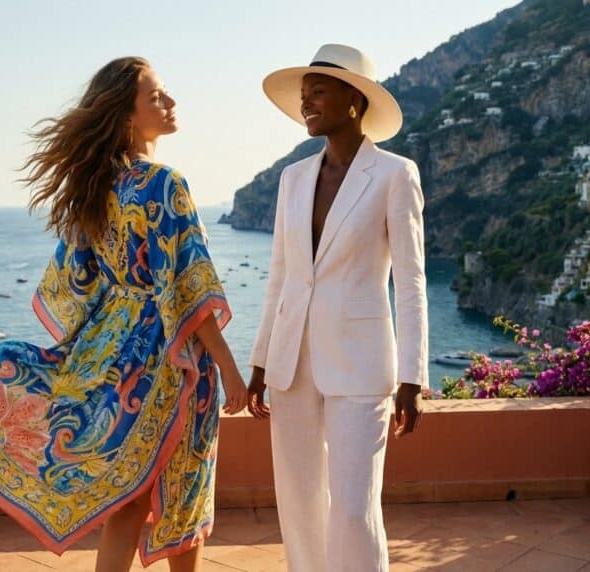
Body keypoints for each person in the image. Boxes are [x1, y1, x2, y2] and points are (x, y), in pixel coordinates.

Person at [0, 57, 246, 572]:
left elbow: (75, 283)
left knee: (129, 494)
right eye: (156, 96)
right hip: (175, 357)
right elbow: (188, 283)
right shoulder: (165, 184)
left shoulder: (94, 187)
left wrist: (90, 349)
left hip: (113, 355)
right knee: (187, 483)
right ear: (126, 113)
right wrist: (226, 364)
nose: (170, 102)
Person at [247, 44, 428, 572]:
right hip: (292, 364)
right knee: (301, 505)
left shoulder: (396, 174)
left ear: (354, 99)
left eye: (317, 92)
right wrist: (261, 360)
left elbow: (412, 281)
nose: (306, 102)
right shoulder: (292, 179)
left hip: (362, 364)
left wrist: (413, 377)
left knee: (353, 509)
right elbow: (280, 276)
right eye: (303, 96)